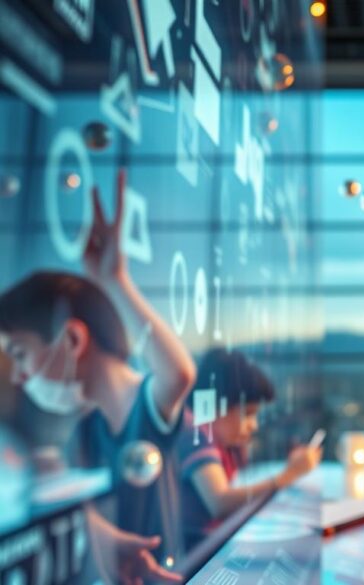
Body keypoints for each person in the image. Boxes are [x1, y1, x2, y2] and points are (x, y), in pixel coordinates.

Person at [0, 170, 193, 582]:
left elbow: (178, 373)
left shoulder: (143, 403)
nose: (17, 375)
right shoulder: (84, 429)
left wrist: (113, 280)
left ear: (71, 339)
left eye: (20, 353)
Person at [178, 348, 322, 550]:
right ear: (218, 404)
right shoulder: (196, 433)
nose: (254, 425)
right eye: (248, 413)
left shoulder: (219, 439)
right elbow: (219, 502)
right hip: (198, 552)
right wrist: (289, 474)